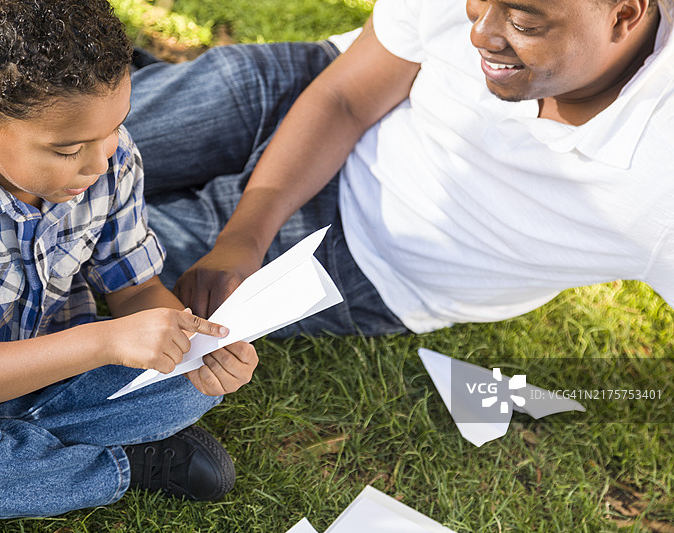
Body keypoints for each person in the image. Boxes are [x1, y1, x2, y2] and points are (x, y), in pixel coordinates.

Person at [0, 1, 257, 531]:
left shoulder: (111, 158)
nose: (99, 162)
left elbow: (135, 288)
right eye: (69, 148)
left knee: (188, 384)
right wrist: (107, 342)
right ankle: (121, 464)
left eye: (113, 130)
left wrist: (199, 346)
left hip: (53, 352)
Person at [124, 0, 673, 339]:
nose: (481, 33)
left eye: (524, 20)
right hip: (320, 93)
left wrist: (240, 250)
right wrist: (241, 240)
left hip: (361, 252)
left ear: (625, 14)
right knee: (71, 130)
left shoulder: (661, 182)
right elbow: (345, 100)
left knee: (87, 251)